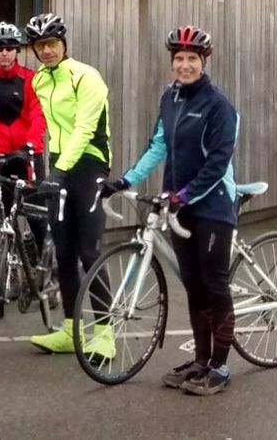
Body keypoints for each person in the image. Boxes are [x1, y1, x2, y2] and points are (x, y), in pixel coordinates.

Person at [102, 25, 238, 396]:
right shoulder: (170, 98)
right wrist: (125, 181)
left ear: (203, 61)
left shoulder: (218, 105)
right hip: (180, 206)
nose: (185, 65)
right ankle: (201, 361)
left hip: (212, 205)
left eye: (192, 58)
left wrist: (184, 195)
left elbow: (218, 163)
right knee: (193, 285)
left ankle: (220, 367)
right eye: (179, 58)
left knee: (214, 285)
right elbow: (158, 147)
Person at [23, 11, 114, 357]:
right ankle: (70, 331)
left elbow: (84, 129)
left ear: (63, 43)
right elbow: (46, 126)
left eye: (51, 43)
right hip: (60, 164)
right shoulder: (39, 81)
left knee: (89, 251)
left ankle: (105, 333)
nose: (46, 51)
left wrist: (59, 171)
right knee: (63, 252)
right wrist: (35, 158)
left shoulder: (86, 77)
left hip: (90, 163)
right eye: (39, 46)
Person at [0, 22, 48, 238]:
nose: (4, 53)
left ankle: (41, 256)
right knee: (1, 215)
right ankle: (3, 257)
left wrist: (30, 145)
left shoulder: (32, 79)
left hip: (27, 155)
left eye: (9, 47)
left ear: (17, 50)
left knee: (37, 217)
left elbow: (39, 115)